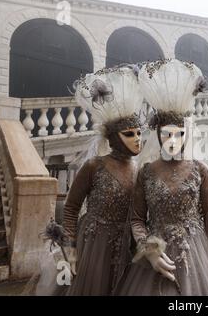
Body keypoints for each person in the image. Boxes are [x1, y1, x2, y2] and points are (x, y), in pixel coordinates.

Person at [115, 59, 208, 296]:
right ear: (158, 136)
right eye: (166, 134)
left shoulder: (200, 171)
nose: (173, 140)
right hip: (154, 260)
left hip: (194, 257)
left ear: (186, 134)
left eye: (179, 134)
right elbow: (137, 219)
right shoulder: (146, 172)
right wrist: (148, 249)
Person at [55, 64, 147, 295]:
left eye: (139, 133)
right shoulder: (94, 166)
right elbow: (71, 208)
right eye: (129, 134)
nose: (137, 139)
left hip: (128, 246)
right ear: (114, 138)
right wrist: (71, 247)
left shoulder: (140, 169)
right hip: (94, 246)